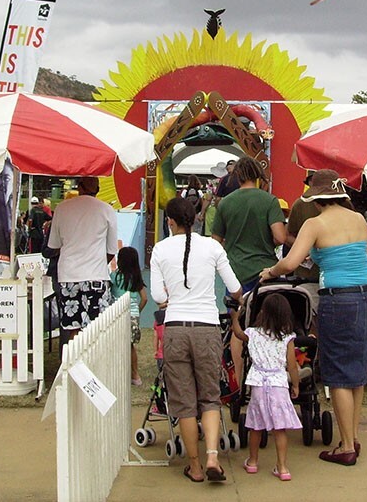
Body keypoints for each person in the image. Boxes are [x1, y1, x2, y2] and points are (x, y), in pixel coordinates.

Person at [260, 169, 367, 467]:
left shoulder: (315, 223)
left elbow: (291, 262)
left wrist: (270, 272)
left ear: (317, 199)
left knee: (337, 371)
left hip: (339, 298)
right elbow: (360, 253)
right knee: (358, 371)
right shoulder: (358, 219)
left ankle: (347, 446)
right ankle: (353, 436)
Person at [149, 197, 242, 484]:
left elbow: (159, 297)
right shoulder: (213, 247)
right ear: (197, 218)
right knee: (210, 397)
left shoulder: (160, 250)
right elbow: (235, 288)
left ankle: (195, 466)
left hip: (176, 328)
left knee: (184, 402)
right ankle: (213, 455)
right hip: (207, 328)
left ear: (170, 222)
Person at [233, 292, 301, 481]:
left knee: (256, 426)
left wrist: (235, 317)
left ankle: (253, 462)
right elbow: (292, 365)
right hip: (278, 383)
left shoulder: (253, 333)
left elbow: (238, 334)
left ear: (263, 312)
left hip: (258, 383)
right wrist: (295, 384)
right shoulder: (287, 338)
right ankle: (283, 467)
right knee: (280, 428)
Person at [45, 176, 118, 345]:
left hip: (68, 275)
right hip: (96, 276)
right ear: (98, 189)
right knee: (98, 327)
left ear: (79, 187)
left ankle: (72, 365)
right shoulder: (107, 210)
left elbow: (54, 245)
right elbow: (111, 250)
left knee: (72, 328)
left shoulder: (62, 209)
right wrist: (98, 262)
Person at [211, 156, 286, 292]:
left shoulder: (225, 203)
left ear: (237, 175)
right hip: (265, 269)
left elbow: (215, 240)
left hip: (234, 269)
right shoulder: (270, 201)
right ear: (257, 175)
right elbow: (280, 237)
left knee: (236, 308)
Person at [110, 246, 148, 386]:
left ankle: (118, 374)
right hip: (132, 314)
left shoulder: (114, 276)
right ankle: (135, 375)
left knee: (116, 345)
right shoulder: (136, 278)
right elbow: (144, 298)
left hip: (117, 314)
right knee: (130, 345)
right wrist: (137, 311)